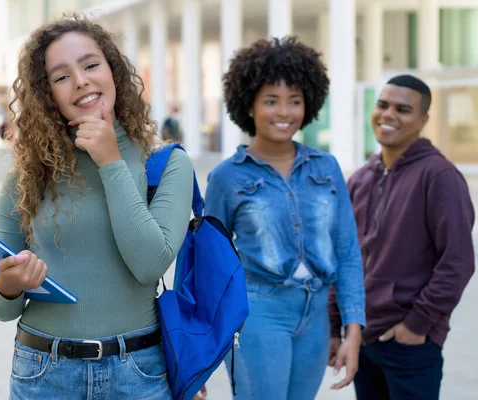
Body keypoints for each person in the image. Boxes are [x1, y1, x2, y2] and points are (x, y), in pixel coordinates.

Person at [0, 14, 194, 399]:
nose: (80, 80)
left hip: (137, 372)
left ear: (113, 71)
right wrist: (8, 286)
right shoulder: (28, 175)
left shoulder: (165, 163)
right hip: (45, 372)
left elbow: (149, 264)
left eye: (91, 65)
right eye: (61, 76)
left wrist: (110, 161)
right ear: (47, 94)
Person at [203, 37, 366, 400]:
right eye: (271, 101)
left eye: (295, 101)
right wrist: (196, 350)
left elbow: (347, 252)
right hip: (258, 312)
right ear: (248, 105)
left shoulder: (327, 168)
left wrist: (353, 328)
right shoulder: (227, 178)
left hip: (315, 315)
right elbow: (207, 262)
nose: (284, 112)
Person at [329, 75, 475, 400]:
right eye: (382, 105)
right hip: (362, 337)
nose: (388, 115)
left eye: (403, 109)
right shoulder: (361, 179)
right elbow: (342, 258)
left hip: (409, 342)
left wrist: (417, 325)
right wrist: (334, 325)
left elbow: (458, 261)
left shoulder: (439, 177)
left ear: (423, 120)